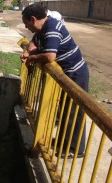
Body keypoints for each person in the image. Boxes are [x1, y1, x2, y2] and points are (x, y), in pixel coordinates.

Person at [20, 4, 89, 158]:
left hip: (75, 73)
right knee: (64, 110)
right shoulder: (44, 28)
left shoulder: (51, 27)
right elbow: (41, 46)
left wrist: (32, 57)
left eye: (27, 24)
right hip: (68, 73)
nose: (27, 28)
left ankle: (75, 149)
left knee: (73, 112)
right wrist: (31, 53)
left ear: (33, 19)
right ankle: (65, 141)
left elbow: (50, 56)